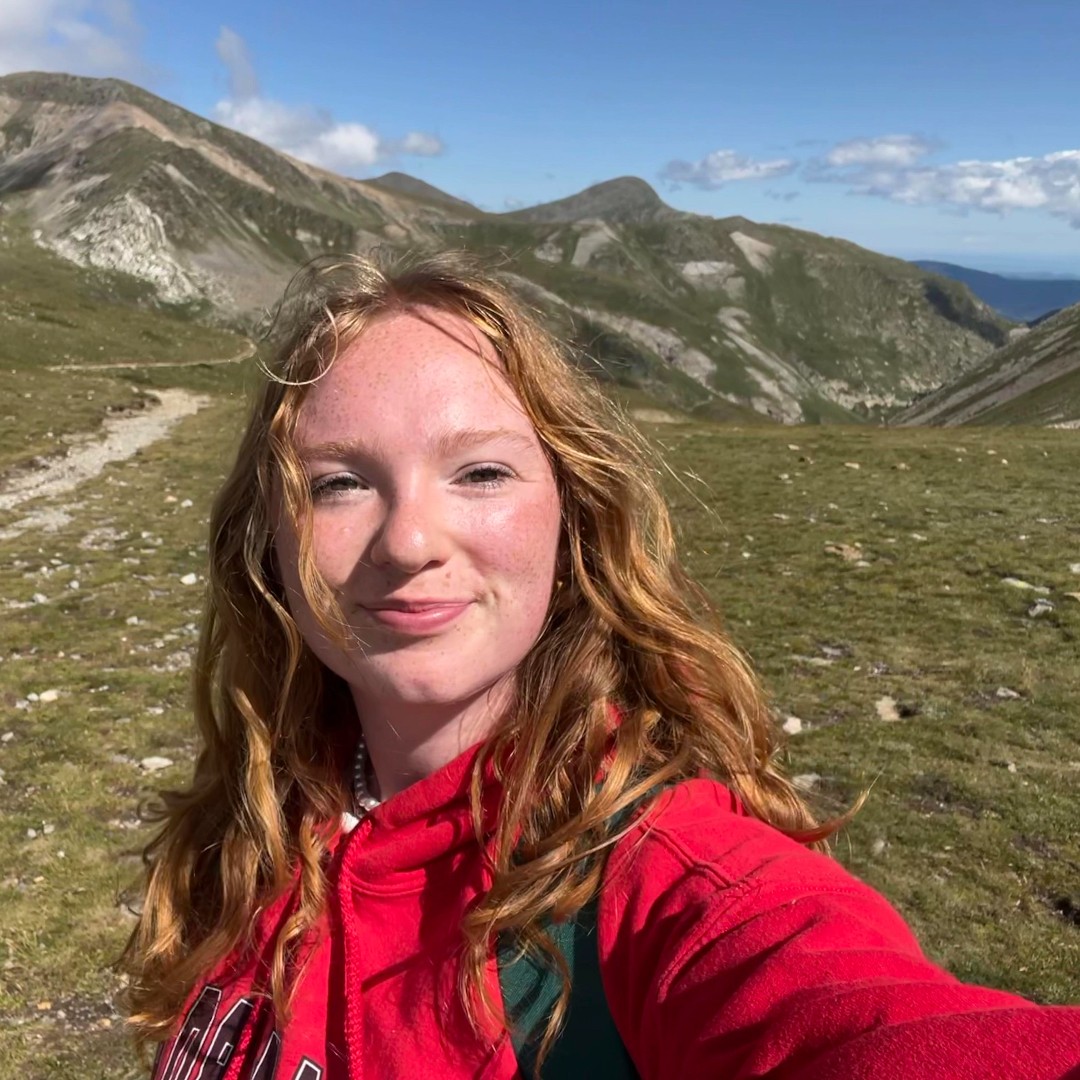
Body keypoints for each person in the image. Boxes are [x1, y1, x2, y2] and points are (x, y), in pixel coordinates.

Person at [122, 250, 1080, 1079]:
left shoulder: (665, 876)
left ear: (571, 517)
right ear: (270, 548)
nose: (409, 539)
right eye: (338, 483)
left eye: (482, 471)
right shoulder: (254, 824)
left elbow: (861, 1022)